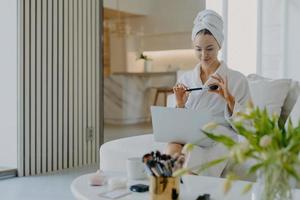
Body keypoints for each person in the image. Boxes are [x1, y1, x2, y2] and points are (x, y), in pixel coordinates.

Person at [166, 9, 251, 156]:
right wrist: (180, 105)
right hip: (190, 134)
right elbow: (178, 126)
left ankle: (184, 174)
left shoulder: (237, 80)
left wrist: (229, 99)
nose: (204, 55)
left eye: (210, 49)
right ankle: (170, 175)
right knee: (172, 148)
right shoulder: (186, 79)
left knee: (191, 153)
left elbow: (248, 127)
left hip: (218, 137)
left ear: (220, 45)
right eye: (198, 49)